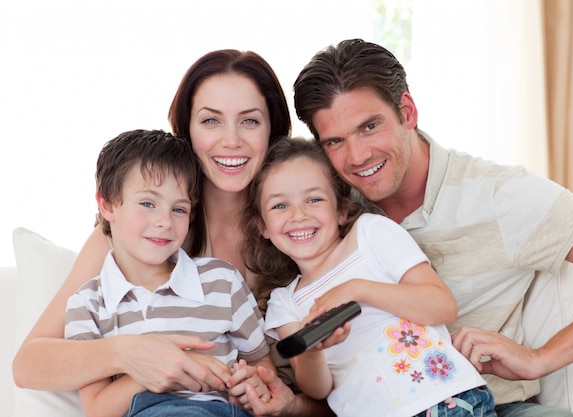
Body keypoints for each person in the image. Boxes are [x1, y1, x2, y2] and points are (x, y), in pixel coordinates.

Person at [292, 38, 573, 417]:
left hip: (492, 405)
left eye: (370, 126)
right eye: (335, 141)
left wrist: (541, 359)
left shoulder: (499, 195)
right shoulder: (321, 212)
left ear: (407, 110)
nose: (357, 157)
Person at [13, 50, 331, 417]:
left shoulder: (303, 225)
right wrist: (134, 353)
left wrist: (289, 405)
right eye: (211, 121)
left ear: (272, 131)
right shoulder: (132, 234)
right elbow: (29, 364)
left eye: (249, 121)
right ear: (187, 130)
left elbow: (347, 396)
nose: (231, 140)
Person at [242, 137, 497, 417]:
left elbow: (443, 306)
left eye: (314, 199)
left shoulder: (370, 233)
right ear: (262, 226)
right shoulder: (284, 303)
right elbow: (317, 389)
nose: (299, 215)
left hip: (442, 400)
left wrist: (356, 289)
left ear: (341, 210)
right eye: (280, 206)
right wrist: (313, 351)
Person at [65, 128, 273, 417]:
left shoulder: (221, 281)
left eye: (179, 209)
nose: (164, 221)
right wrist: (162, 368)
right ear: (107, 204)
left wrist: (252, 384)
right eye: (148, 203)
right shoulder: (87, 304)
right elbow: (98, 409)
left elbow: (263, 366)